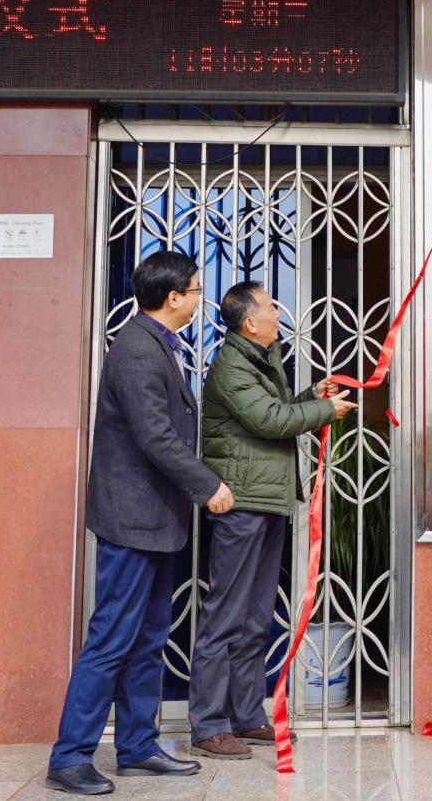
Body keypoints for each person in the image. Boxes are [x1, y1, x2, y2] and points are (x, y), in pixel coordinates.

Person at [46, 252, 234, 796]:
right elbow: (156, 436)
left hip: (154, 519)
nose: (199, 300)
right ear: (172, 298)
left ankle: (137, 746)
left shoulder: (157, 345)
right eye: (195, 291)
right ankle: (70, 756)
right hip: (132, 519)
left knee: (149, 638)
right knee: (111, 638)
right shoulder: (135, 348)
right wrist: (208, 485)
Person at [189, 282, 357, 759]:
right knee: (226, 614)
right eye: (269, 307)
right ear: (249, 323)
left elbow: (276, 412)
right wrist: (324, 409)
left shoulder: (261, 360)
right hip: (241, 503)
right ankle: (208, 724)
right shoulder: (232, 366)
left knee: (256, 615)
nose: (277, 314)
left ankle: (247, 716)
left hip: (266, 500)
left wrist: (311, 395)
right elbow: (269, 421)